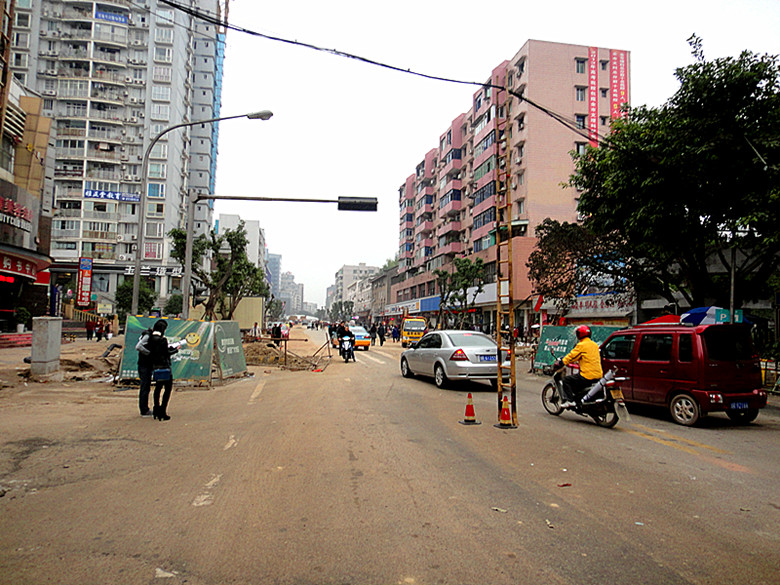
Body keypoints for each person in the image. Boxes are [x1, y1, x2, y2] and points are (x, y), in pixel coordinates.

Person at [555, 325, 604, 408]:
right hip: (599, 375)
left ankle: (570, 401)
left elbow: (571, 356)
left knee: (566, 380)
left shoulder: (581, 345)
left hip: (587, 375)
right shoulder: (595, 345)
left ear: (579, 335)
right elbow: (577, 357)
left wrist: (562, 362)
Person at [147, 319, 179, 421]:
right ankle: (163, 411)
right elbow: (166, 353)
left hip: (155, 367)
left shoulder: (150, 339)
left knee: (158, 388)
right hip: (165, 366)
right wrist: (176, 349)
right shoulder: (163, 340)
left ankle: (156, 408)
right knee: (167, 389)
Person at [135, 323, 155, 417]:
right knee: (144, 387)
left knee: (146, 387)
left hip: (146, 365)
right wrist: (149, 353)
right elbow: (138, 347)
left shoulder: (147, 335)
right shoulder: (147, 336)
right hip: (144, 365)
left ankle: (145, 409)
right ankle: (144, 410)